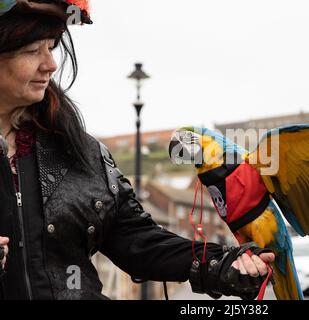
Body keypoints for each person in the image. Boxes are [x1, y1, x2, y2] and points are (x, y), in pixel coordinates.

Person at [0, 0, 274, 300]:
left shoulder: (77, 149)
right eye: (31, 51)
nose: (50, 64)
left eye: (51, 47)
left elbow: (136, 240)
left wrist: (219, 264)